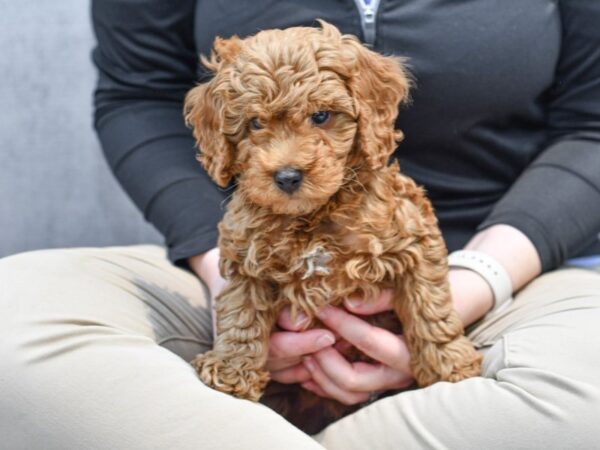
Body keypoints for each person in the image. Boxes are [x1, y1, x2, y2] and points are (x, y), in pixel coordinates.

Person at [1, 1, 599, 449]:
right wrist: (221, 274)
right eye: (258, 126)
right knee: (12, 327)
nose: (288, 160)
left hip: (512, 262)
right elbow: (136, 94)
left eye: (321, 118)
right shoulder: (232, 190)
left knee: (583, 400)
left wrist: (474, 282)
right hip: (219, 252)